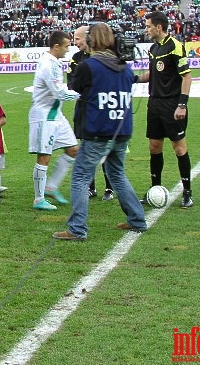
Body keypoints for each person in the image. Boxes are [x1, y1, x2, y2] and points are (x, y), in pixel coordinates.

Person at [53, 23, 147, 240]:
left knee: (80, 177)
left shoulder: (90, 66)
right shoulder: (124, 66)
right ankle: (137, 219)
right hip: (121, 131)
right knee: (117, 174)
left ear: (92, 41)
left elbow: (74, 87)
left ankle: (77, 229)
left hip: (97, 131)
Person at [137, 11, 194, 208]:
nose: (146, 29)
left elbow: (186, 77)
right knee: (154, 146)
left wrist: (182, 104)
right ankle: (155, 189)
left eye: (148, 26)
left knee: (179, 148)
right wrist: (133, 78)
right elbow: (152, 74)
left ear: (158, 27)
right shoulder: (153, 49)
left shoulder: (175, 47)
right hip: (154, 104)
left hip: (172, 105)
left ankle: (187, 192)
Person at [29, 30, 80, 210]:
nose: (68, 49)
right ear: (56, 46)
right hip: (44, 115)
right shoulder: (47, 64)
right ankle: (39, 199)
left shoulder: (55, 62)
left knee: (73, 150)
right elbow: (58, 92)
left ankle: (51, 186)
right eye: (66, 46)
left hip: (56, 114)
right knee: (44, 156)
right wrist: (82, 95)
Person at [69, 25, 114, 201]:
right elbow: (71, 84)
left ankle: (109, 187)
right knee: (86, 149)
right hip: (83, 110)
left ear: (88, 37)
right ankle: (91, 187)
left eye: (77, 38)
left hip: (101, 110)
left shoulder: (103, 57)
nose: (75, 42)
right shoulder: (76, 58)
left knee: (105, 149)